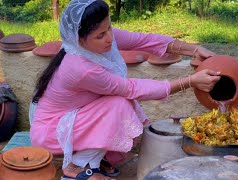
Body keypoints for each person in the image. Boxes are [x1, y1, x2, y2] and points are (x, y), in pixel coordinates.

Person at [29, 0, 221, 179]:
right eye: (101, 35)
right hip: (52, 130)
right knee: (119, 105)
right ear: (79, 40)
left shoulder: (100, 39)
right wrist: (190, 81)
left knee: (120, 104)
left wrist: (194, 50)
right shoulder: (80, 68)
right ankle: (77, 167)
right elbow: (130, 88)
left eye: (109, 27)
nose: (109, 38)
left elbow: (143, 40)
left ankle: (92, 159)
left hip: (75, 116)